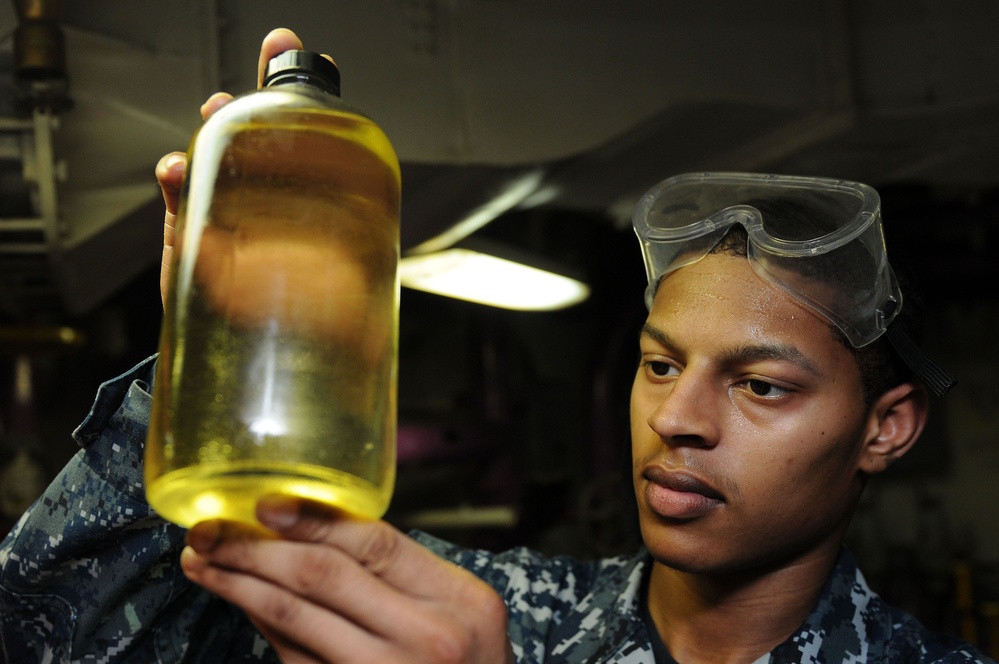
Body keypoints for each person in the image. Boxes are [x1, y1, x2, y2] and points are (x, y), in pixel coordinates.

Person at [0, 28, 993, 664]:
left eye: (763, 387)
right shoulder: (487, 613)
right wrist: (201, 357)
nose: (678, 421)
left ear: (886, 426)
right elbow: (56, 631)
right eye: (659, 363)